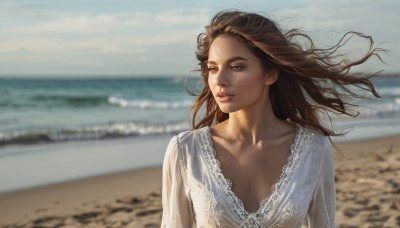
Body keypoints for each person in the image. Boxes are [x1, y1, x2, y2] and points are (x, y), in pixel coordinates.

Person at [161, 10, 382, 227]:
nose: (219, 79)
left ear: (270, 73)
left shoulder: (314, 149)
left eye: (236, 67)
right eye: (212, 68)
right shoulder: (186, 151)